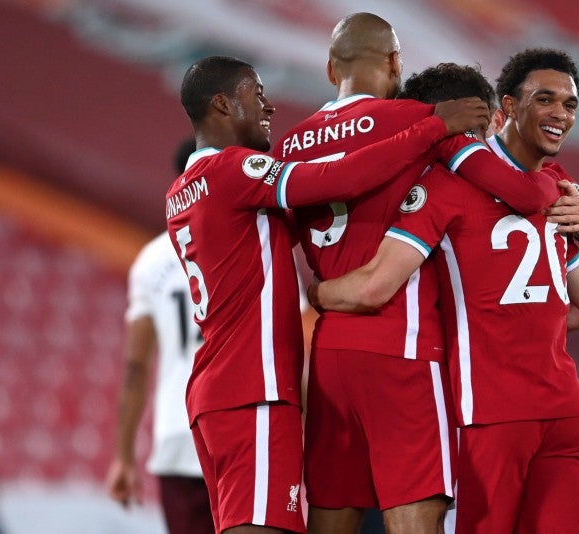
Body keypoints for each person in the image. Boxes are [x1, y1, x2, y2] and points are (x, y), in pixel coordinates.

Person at [272, 13, 575, 534]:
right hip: (403, 347)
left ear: (329, 69)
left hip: (332, 352)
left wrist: (317, 291)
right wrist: (563, 190)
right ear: (394, 62)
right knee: (415, 521)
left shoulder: (291, 146)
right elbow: (523, 192)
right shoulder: (418, 123)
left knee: (331, 517)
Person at [165, 55, 492, 534]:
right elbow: (337, 179)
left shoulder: (184, 189)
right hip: (253, 390)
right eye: (255, 94)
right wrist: (432, 125)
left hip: (216, 393)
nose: (269, 106)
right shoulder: (234, 170)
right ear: (221, 103)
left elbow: (288, 229)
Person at [105, 138, 213, 534]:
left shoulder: (152, 259)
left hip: (178, 428)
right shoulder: (255, 239)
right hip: (243, 425)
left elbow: (136, 365)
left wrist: (123, 456)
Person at [489, 48, 579, 252]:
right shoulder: (465, 165)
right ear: (510, 106)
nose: (561, 115)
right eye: (545, 100)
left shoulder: (558, 184)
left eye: (570, 106)